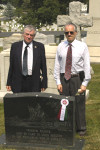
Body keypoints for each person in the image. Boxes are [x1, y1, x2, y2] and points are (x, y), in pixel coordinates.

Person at [54, 23, 91, 136]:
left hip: (77, 78)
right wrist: (58, 81)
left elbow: (86, 65)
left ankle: (81, 128)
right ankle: (65, 126)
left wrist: (85, 83)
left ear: (76, 33)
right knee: (64, 103)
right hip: (64, 78)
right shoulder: (60, 46)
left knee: (79, 103)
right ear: (64, 33)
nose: (69, 34)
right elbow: (57, 65)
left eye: (71, 32)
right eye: (66, 32)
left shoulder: (82, 46)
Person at [6, 25, 47, 93]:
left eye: (31, 35)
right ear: (23, 34)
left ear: (34, 36)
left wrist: (44, 83)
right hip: (18, 82)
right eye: (27, 34)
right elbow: (12, 66)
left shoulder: (40, 47)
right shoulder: (15, 46)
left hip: (34, 82)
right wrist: (9, 82)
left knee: (33, 103)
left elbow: (43, 66)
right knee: (19, 103)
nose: (29, 37)